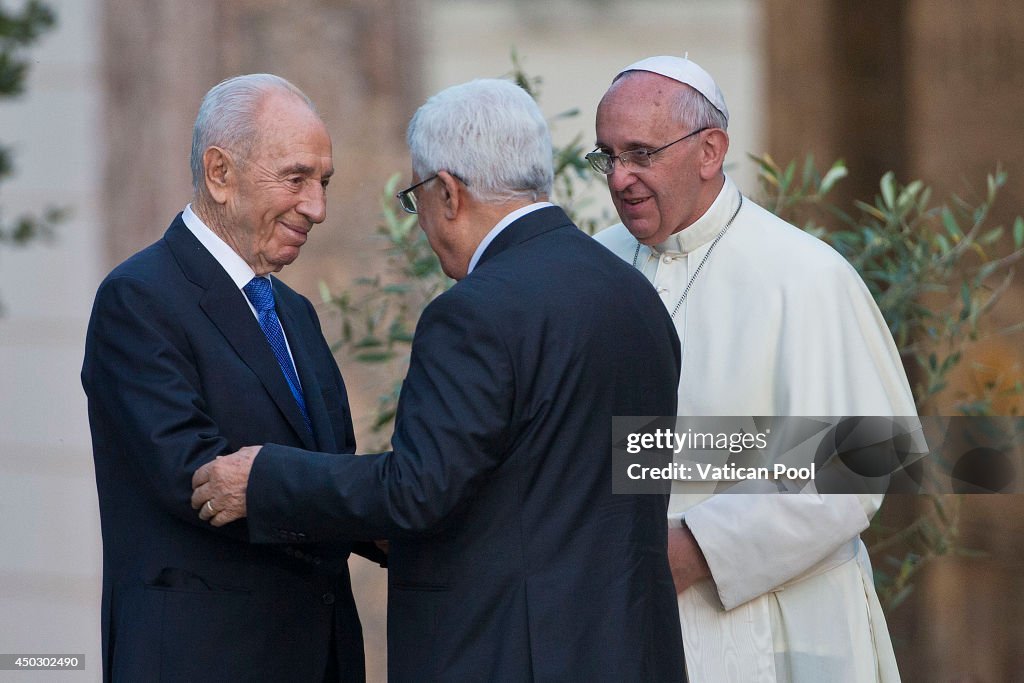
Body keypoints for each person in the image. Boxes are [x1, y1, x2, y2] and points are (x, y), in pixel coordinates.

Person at [191, 78, 686, 682]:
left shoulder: (474, 312)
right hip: (632, 653)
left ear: (447, 193)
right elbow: (584, 480)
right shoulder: (636, 296)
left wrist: (266, 478)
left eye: (417, 199)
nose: (422, 223)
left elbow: (417, 491)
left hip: (505, 656)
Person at [589, 56, 917, 682]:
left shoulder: (806, 276)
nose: (620, 177)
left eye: (641, 153)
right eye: (607, 156)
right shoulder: (592, 265)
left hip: (779, 624)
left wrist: (696, 548)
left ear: (710, 150)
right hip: (621, 618)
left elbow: (860, 458)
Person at [81, 74, 380, 682]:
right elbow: (198, 480)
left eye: (323, 184)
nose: (316, 208)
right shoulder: (139, 300)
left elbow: (330, 467)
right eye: (295, 179)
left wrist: (411, 520)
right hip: (204, 659)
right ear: (219, 173)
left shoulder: (292, 311)